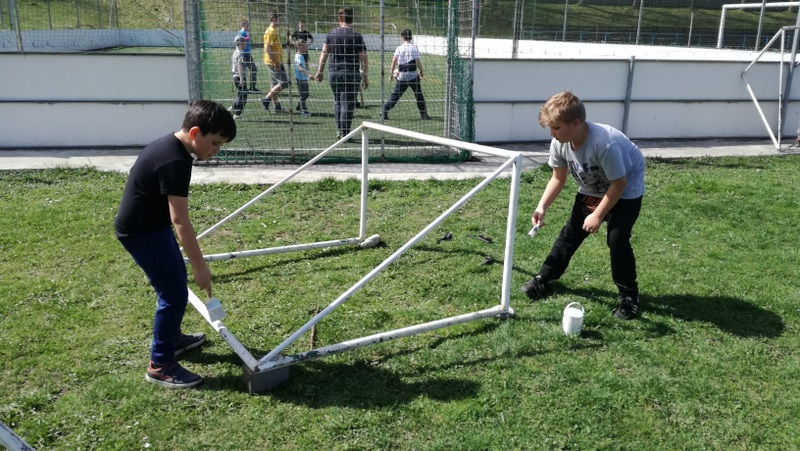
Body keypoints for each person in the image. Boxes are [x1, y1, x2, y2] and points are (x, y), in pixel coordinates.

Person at [114, 100, 237, 388]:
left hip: (153, 227)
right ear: (195, 132)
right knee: (173, 294)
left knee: (175, 285)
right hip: (141, 233)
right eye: (215, 143)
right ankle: (160, 365)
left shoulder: (172, 147)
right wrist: (200, 266)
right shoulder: (175, 161)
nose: (216, 151)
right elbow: (180, 220)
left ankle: (172, 339)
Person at [521, 91, 645, 320]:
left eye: (556, 128)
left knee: (617, 240)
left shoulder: (605, 144)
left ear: (576, 123)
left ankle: (629, 297)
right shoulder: (560, 143)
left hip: (626, 190)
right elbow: (558, 178)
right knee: (570, 234)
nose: (551, 133)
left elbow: (619, 184)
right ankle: (543, 279)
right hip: (592, 188)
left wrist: (597, 215)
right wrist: (541, 207)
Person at [315, 6, 369, 141]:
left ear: (339, 18)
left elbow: (324, 53)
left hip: (334, 72)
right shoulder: (357, 36)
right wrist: (365, 76)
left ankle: (339, 130)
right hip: (350, 73)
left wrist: (320, 71)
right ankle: (345, 133)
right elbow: (363, 58)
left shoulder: (331, 34)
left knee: (337, 101)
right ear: (352, 19)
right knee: (348, 103)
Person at [382, 29, 431, 121]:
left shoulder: (399, 48)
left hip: (402, 76)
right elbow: (417, 62)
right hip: (413, 76)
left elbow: (393, 62)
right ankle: (424, 114)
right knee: (419, 95)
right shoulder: (414, 48)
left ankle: (384, 111)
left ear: (403, 37)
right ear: (410, 37)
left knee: (395, 95)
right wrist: (421, 71)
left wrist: (391, 74)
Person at [262, 13, 289, 114]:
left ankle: (277, 106)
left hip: (274, 61)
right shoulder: (271, 31)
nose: (280, 22)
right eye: (279, 20)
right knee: (284, 82)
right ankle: (266, 99)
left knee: (274, 84)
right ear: (274, 19)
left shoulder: (273, 30)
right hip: (274, 62)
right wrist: (275, 62)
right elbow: (268, 49)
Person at [237, 19, 260, 93]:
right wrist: (247, 37)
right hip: (244, 54)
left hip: (247, 53)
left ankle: (251, 87)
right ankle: (248, 87)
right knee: (250, 69)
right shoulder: (241, 32)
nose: (248, 27)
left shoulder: (245, 32)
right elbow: (240, 40)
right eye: (247, 25)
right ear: (243, 25)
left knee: (252, 69)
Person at [230, 36, 249, 119]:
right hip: (239, 77)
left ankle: (232, 108)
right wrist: (241, 78)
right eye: (245, 43)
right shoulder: (240, 53)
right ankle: (237, 114)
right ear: (241, 44)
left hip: (235, 76)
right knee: (244, 95)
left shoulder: (235, 52)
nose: (246, 45)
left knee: (240, 94)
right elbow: (239, 65)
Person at [294, 40, 312, 117]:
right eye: (305, 46)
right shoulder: (298, 56)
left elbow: (305, 66)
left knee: (306, 94)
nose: (306, 47)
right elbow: (300, 67)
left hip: (303, 78)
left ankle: (299, 107)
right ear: (300, 47)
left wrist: (307, 67)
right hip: (300, 78)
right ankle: (303, 109)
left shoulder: (302, 55)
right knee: (303, 94)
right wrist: (308, 74)